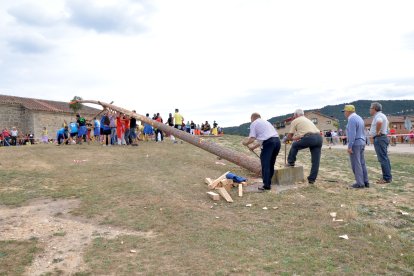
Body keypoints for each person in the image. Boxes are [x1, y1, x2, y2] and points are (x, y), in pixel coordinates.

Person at [242, 112, 280, 191]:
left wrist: (245, 143)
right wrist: (253, 147)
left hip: (269, 143)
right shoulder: (266, 122)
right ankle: (269, 182)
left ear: (252, 118)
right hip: (277, 142)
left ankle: (266, 185)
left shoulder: (254, 123)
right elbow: (263, 139)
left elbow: (252, 138)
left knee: (265, 164)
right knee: (271, 163)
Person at [285, 109, 323, 184]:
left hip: (309, 138)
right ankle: (312, 179)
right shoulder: (307, 120)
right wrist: (292, 139)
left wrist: (287, 140)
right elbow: (300, 135)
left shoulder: (295, 121)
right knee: (316, 160)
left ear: (295, 115)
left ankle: (291, 162)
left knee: (295, 145)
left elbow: (290, 135)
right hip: (318, 138)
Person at [343, 105, 369, 189]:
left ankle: (359, 183)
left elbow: (352, 134)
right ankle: (365, 181)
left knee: (356, 163)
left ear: (348, 111)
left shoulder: (352, 119)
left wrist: (350, 146)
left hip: (355, 143)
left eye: (345, 111)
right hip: (361, 141)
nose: (344, 113)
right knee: (362, 163)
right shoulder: (359, 118)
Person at [369, 102, 392, 184]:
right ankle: (388, 177)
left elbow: (379, 122)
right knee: (384, 158)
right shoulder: (382, 115)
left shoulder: (378, 116)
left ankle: (386, 178)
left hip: (380, 138)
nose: (370, 110)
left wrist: (378, 131)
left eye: (370, 108)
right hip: (382, 138)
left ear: (374, 108)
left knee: (383, 159)